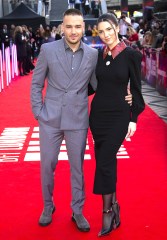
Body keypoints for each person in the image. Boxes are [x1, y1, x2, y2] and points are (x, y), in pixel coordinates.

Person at [31, 9, 132, 232]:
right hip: (50, 118)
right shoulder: (48, 50)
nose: (73, 31)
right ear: (61, 28)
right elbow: (36, 83)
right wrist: (39, 112)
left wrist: (126, 92)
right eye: (69, 26)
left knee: (77, 168)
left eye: (77, 26)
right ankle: (48, 207)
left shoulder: (92, 55)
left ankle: (77, 210)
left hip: (77, 119)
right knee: (48, 165)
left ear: (83, 28)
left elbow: (100, 83)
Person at [89, 13, 145, 237]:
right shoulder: (98, 56)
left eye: (108, 30)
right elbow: (93, 86)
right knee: (106, 161)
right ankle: (115, 206)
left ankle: (107, 211)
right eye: (101, 32)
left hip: (119, 117)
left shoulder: (131, 55)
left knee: (104, 161)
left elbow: (137, 88)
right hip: (98, 116)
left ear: (116, 27)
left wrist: (134, 118)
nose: (105, 35)